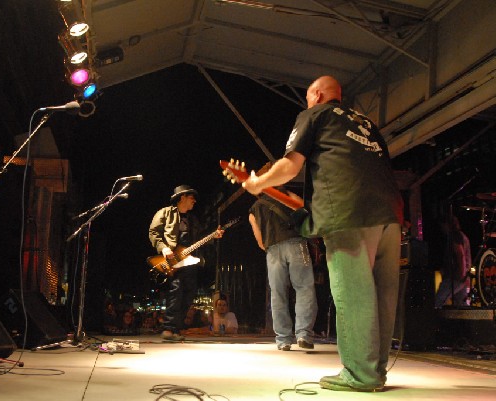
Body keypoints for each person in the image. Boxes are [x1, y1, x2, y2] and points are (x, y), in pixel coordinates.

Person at [242, 76, 403, 392]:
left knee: (353, 291)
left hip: (349, 212)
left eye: (307, 97)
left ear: (316, 95)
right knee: (383, 294)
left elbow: (289, 167)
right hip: (389, 213)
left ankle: (359, 374)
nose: (307, 102)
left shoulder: (314, 115)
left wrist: (257, 184)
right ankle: (375, 372)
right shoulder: (366, 124)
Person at [149, 185, 224, 341]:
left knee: (189, 293)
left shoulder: (193, 219)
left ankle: (176, 328)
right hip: (172, 259)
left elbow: (200, 238)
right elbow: (154, 232)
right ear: (182, 197)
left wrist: (213, 236)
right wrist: (163, 249)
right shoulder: (165, 213)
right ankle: (168, 329)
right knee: (176, 291)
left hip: (189, 260)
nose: (194, 201)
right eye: (191, 197)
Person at [248, 190, 317, 350]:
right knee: (304, 288)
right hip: (296, 244)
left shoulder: (253, 209)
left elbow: (260, 241)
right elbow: (305, 207)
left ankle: (283, 339)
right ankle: (303, 334)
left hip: (272, 250)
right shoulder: (287, 196)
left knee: (277, 293)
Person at [435, 214, 472, 307]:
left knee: (439, 300)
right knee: (461, 305)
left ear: (447, 224)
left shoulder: (454, 236)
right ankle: (465, 321)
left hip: (455, 276)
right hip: (462, 276)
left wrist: (461, 273)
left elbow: (460, 255)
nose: (442, 228)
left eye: (442, 225)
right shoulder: (462, 236)